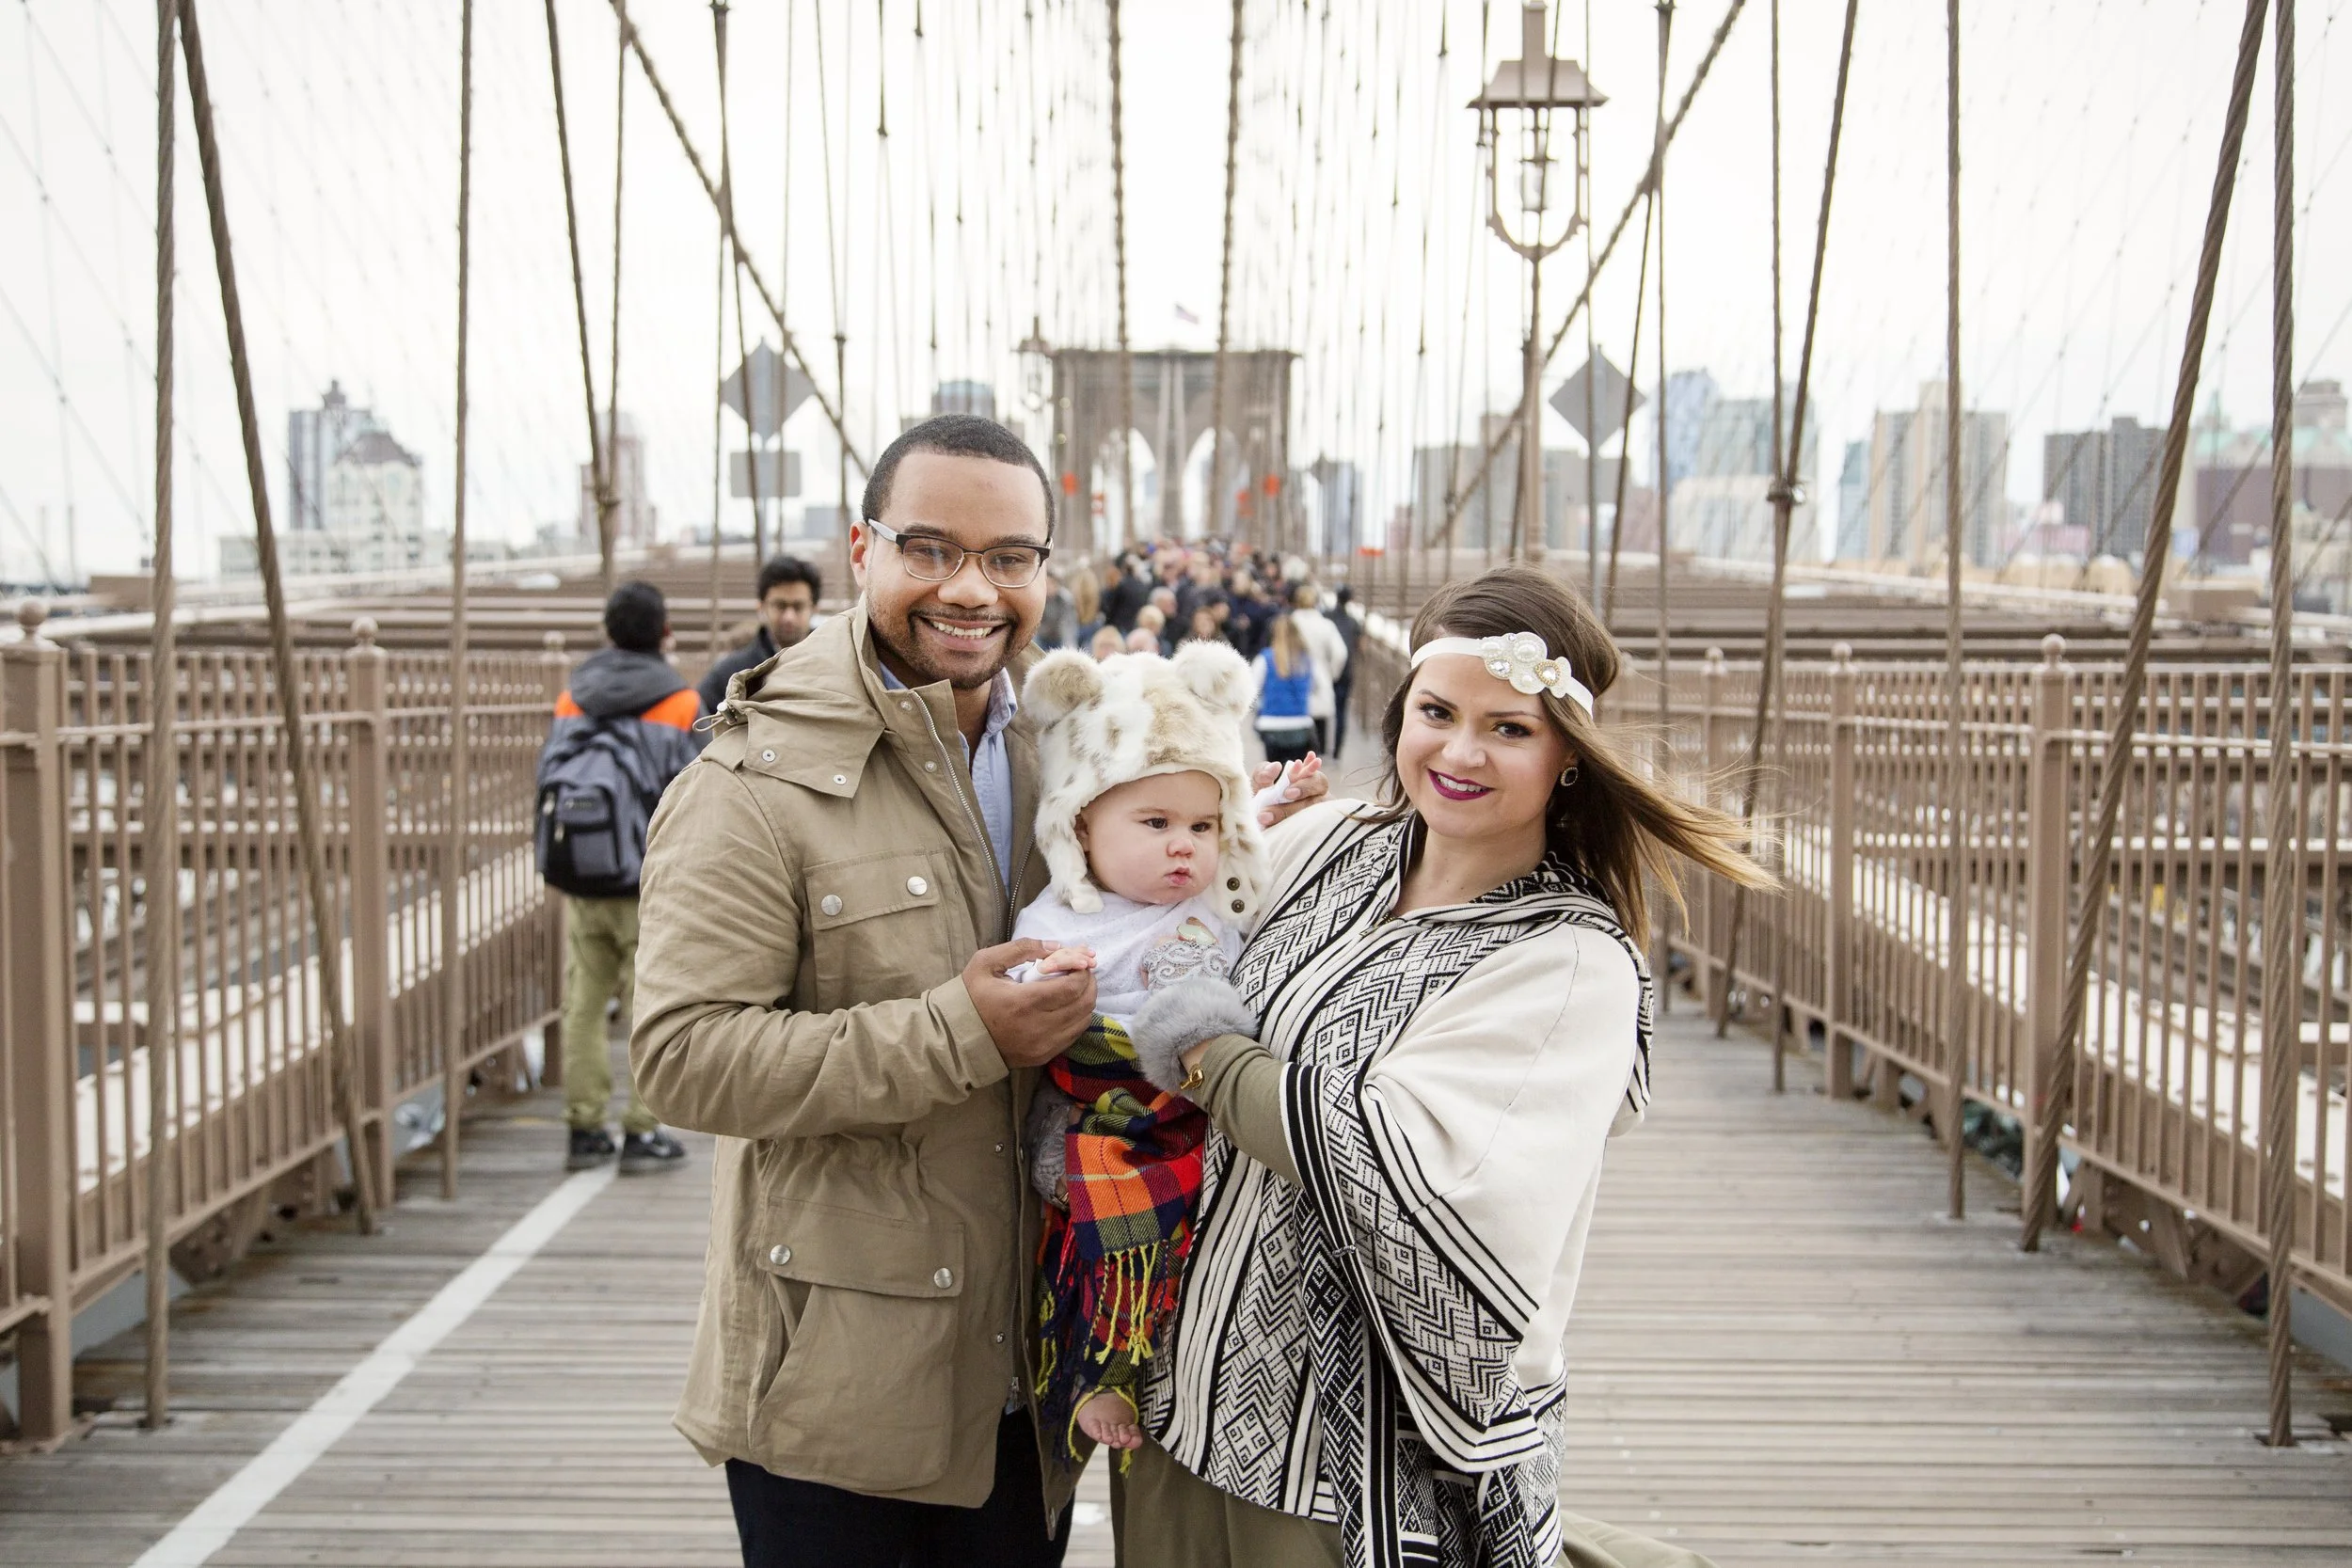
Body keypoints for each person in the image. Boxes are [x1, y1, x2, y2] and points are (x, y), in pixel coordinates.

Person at [627, 412, 1327, 1568]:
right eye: (930, 548)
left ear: (1046, 571)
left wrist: (1217, 813)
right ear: (862, 550)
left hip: (1025, 1378)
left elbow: (1135, 878)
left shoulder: (1060, 760)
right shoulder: (748, 781)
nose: (971, 588)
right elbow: (682, 1056)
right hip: (837, 1396)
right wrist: (962, 1029)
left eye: (1009, 557)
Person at [1113, 564, 1771, 1568]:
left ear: (1567, 757)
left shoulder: (1568, 962)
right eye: (1436, 712)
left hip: (1342, 1465)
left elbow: (1385, 1161)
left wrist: (1203, 1047)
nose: (1460, 751)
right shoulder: (1332, 843)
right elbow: (1156, 937)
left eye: (1508, 727)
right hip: (1180, 1397)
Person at [1008, 643, 1318, 1469]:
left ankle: (1169, 1347)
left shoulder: (1210, 894)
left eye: (1201, 826)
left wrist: (1278, 800)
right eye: (1155, 824)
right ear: (1081, 824)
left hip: (1206, 1103)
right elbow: (1028, 982)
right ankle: (1102, 1368)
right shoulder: (1068, 915)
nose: (1184, 847)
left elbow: (1252, 855)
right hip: (1115, 1115)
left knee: (1198, 1225)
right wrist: (1052, 979)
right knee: (1107, 1230)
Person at [539, 580, 698, 1175]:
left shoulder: (570, 697)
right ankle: (641, 1129)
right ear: (664, 634)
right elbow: (687, 796)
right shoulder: (680, 702)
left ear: (608, 632)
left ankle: (583, 1128)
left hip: (583, 877)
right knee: (644, 1003)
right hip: (646, 882)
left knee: (581, 1003)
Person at [697, 555, 822, 716]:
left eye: (798, 607)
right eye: (780, 606)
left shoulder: (830, 667)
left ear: (814, 609)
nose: (789, 617)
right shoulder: (731, 674)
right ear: (761, 607)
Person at [1285, 582, 1350, 757]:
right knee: (1319, 720)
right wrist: (1332, 674)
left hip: (1292, 674)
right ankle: (1317, 757)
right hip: (1320, 674)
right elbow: (1340, 653)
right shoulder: (1326, 625)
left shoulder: (1290, 623)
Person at [1249, 613, 1317, 766]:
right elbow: (1314, 687)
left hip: (1271, 723)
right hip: (1300, 723)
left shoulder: (1265, 658)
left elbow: (1252, 690)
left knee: (1275, 772)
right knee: (1296, 774)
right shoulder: (1306, 660)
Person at [1327, 584, 1364, 756]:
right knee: (1341, 712)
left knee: (1321, 709)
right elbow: (1360, 647)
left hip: (1326, 672)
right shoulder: (1354, 622)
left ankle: (1320, 748)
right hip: (1346, 672)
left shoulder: (1326, 617)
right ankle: (1337, 751)